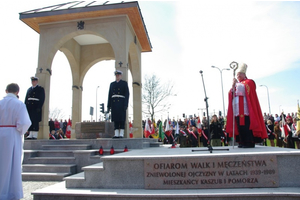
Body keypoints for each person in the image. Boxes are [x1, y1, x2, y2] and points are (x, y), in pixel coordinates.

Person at [0, 83, 31, 200]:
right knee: (12, 164)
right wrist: (19, 130)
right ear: (17, 92)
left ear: (6, 90)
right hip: (12, 134)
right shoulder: (19, 104)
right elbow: (24, 123)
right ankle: (11, 193)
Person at [226, 62, 267, 148]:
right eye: (237, 74)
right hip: (237, 109)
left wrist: (236, 84)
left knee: (246, 125)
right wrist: (233, 87)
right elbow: (231, 93)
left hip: (246, 109)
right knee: (239, 125)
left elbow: (245, 88)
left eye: (240, 74)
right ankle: (242, 141)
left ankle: (249, 142)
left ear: (244, 74)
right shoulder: (237, 84)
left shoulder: (249, 82)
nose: (238, 76)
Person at [107, 70, 129, 138]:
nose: (117, 76)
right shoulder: (112, 84)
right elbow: (109, 95)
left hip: (121, 102)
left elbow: (127, 94)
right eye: (116, 75)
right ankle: (116, 133)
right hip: (114, 103)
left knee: (121, 119)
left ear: (121, 76)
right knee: (115, 119)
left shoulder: (124, 83)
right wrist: (109, 106)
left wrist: (126, 104)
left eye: (118, 75)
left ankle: (121, 133)